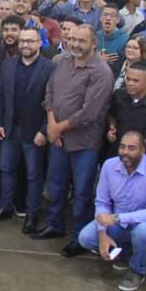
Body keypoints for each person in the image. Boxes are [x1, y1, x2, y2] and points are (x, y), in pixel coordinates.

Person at [35, 24, 114, 256]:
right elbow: (49, 92)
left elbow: (89, 112)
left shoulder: (101, 72)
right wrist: (52, 125)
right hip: (57, 138)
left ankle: (80, 237)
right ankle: (54, 224)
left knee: (82, 192)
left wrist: (58, 128)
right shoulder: (63, 62)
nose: (76, 45)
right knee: (56, 185)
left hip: (84, 144)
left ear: (93, 43)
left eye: (82, 41)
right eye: (73, 40)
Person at [76, 131, 146, 291]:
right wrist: (102, 235)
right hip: (120, 223)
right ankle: (127, 253)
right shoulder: (109, 166)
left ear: (143, 150)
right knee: (85, 238)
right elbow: (102, 202)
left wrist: (116, 218)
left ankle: (137, 270)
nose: (125, 152)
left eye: (132, 148)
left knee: (143, 232)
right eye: (122, 147)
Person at [0, 26, 56, 230]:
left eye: (30, 41)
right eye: (23, 41)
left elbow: (53, 102)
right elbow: (0, 95)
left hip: (35, 132)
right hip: (9, 129)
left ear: (39, 43)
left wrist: (45, 130)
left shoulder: (50, 68)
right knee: (6, 169)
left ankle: (32, 214)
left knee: (33, 175)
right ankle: (5, 206)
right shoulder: (8, 65)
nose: (25, 45)